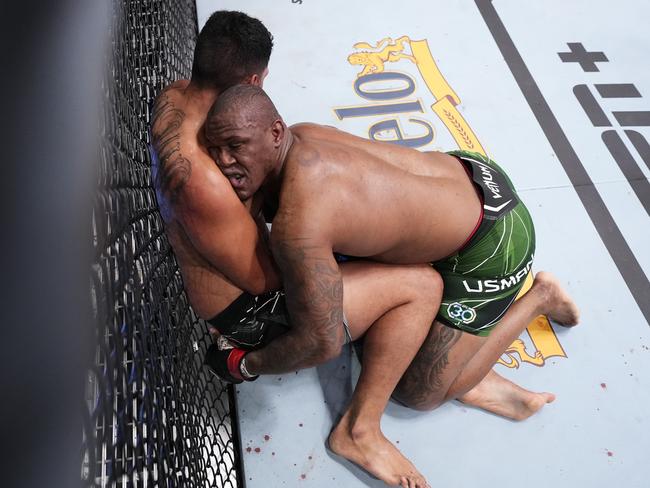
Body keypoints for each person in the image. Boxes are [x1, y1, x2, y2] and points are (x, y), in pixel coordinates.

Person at [203, 84, 581, 482]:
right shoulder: (303, 134)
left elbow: (322, 340)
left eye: (235, 146)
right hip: (468, 175)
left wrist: (245, 364)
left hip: (492, 246)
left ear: (275, 133)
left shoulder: (301, 224)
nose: (224, 161)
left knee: (420, 392)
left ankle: (539, 298)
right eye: (215, 150)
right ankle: (460, 358)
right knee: (383, 319)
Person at [151, 11, 451, 487]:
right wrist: (311, 235)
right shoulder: (206, 181)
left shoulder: (174, 94)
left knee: (349, 219)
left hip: (228, 268)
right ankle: (360, 428)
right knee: (421, 282)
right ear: (253, 79)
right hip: (248, 312)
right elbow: (264, 279)